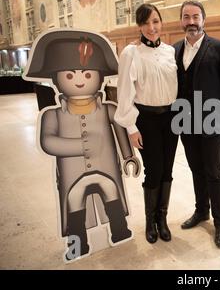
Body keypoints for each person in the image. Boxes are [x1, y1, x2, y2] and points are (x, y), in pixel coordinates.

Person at [24, 29, 140, 261]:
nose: (79, 80)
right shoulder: (53, 116)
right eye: (70, 76)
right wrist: (79, 146)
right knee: (73, 204)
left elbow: (120, 129)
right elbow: (48, 141)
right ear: (57, 79)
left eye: (87, 75)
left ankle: (119, 231)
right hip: (72, 174)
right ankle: (77, 246)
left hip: (107, 169)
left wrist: (128, 156)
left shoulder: (109, 108)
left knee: (112, 195)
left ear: (98, 77)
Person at [173, 0, 220, 249]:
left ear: (204, 19)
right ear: (181, 20)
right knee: (196, 170)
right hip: (185, 122)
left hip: (213, 122)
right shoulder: (175, 49)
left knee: (214, 173)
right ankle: (201, 211)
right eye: (186, 17)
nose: (191, 21)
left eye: (195, 16)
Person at [115, 4, 178, 244]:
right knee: (154, 170)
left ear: (161, 23)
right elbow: (124, 93)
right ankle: (150, 222)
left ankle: (162, 220)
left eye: (156, 22)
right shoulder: (131, 53)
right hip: (146, 119)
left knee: (168, 170)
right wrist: (131, 127)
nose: (152, 28)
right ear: (139, 26)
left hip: (171, 118)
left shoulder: (171, 51)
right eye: (146, 23)